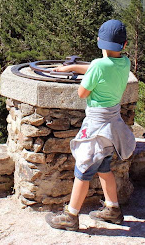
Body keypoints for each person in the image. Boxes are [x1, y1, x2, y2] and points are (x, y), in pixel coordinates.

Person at [45, 19, 136, 231]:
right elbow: (100, 67)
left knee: (83, 169)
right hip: (112, 125)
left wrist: (80, 77)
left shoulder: (98, 65)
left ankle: (71, 215)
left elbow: (82, 93)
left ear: (99, 42)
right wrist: (71, 67)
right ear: (124, 45)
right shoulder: (124, 63)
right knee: (104, 169)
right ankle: (113, 209)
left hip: (96, 126)